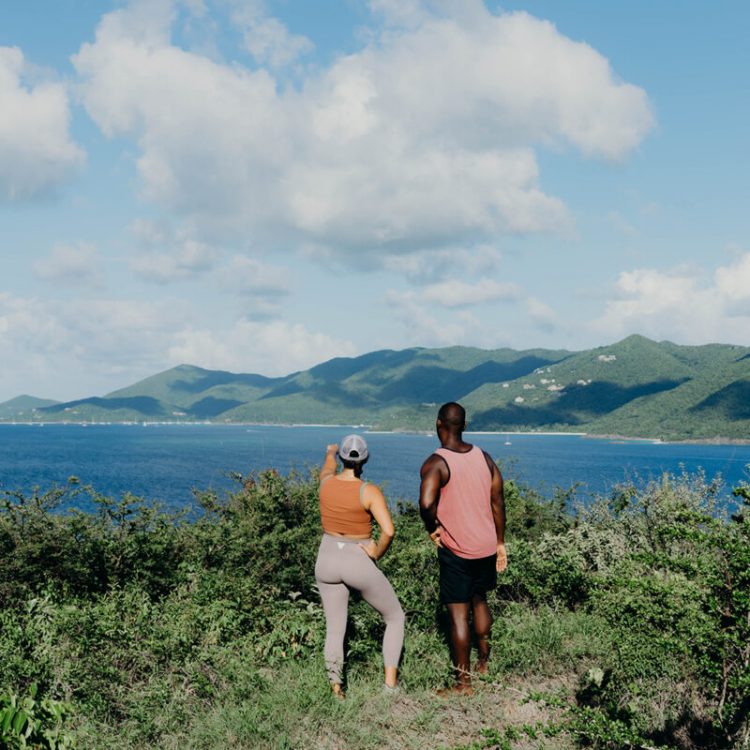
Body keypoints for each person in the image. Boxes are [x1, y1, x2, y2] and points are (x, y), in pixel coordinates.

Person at [419, 402, 507, 695]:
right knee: (480, 600)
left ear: (438, 423)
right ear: (464, 425)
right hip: (485, 545)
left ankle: (462, 684)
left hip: (458, 549)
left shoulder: (436, 463)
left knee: (459, 615)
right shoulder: (485, 458)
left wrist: (432, 527)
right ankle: (483, 663)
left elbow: (426, 503)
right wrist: (499, 542)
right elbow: (498, 502)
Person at [315, 434, 405, 698]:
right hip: (357, 558)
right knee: (394, 617)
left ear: (343, 457)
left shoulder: (325, 483)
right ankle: (390, 687)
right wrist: (376, 551)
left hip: (327, 558)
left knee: (335, 628)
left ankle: (336, 690)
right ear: (366, 459)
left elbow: (327, 467)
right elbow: (388, 531)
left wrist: (329, 452)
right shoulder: (368, 491)